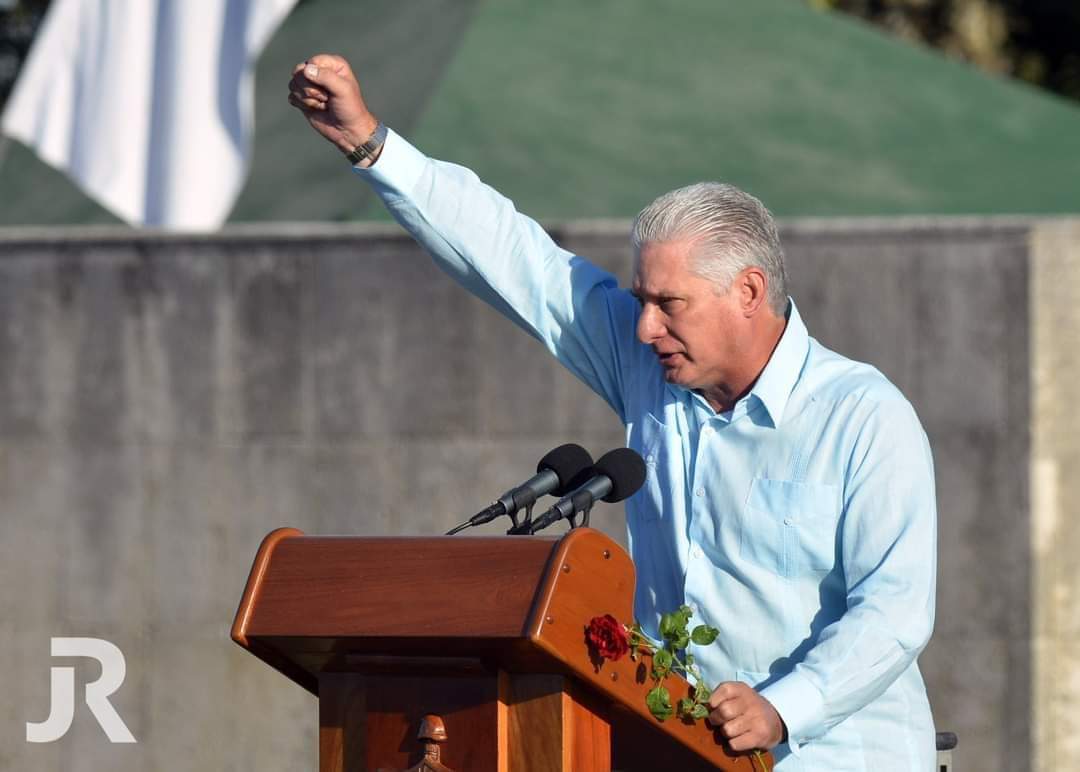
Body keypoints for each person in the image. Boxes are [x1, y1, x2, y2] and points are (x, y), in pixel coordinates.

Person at [288, 54, 938, 771]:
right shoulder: (650, 366)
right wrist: (370, 144)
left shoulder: (864, 417)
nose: (645, 328)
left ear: (749, 292)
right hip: (679, 751)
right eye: (640, 301)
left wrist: (784, 706)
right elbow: (516, 260)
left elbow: (896, 610)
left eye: (670, 304)